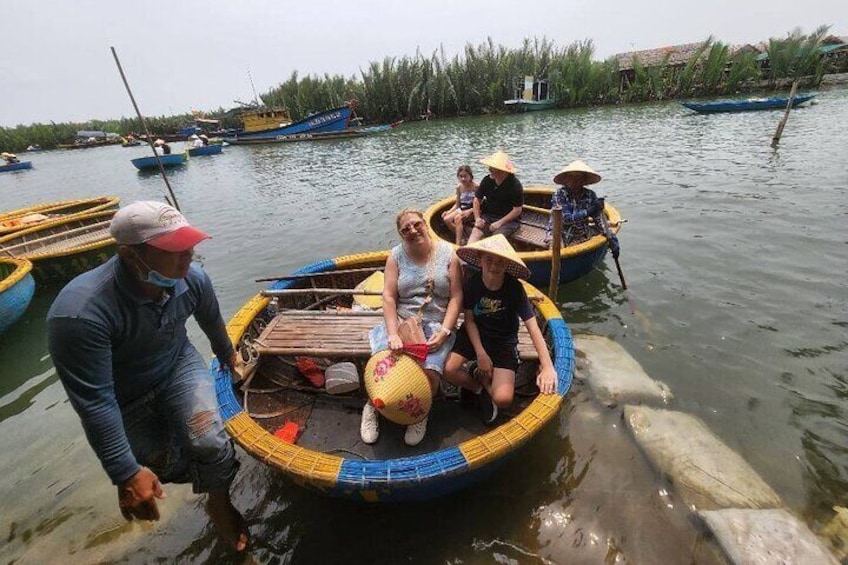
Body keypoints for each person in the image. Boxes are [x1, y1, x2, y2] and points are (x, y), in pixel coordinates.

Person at [47, 201, 249, 552]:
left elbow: (213, 325)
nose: (187, 258)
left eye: (189, 245)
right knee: (164, 466)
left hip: (177, 365)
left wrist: (230, 358)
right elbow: (96, 402)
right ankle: (180, 477)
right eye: (173, 251)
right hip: (124, 395)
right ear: (130, 255)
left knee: (211, 442)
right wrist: (124, 473)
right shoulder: (79, 314)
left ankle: (218, 502)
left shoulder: (192, 279)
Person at [360, 208, 463, 446]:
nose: (412, 230)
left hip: (437, 323)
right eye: (405, 229)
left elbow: (456, 297)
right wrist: (393, 333)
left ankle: (419, 414)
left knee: (430, 369)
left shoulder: (449, 254)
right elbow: (388, 297)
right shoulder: (396, 256)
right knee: (384, 364)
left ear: (425, 224)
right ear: (400, 234)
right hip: (403, 321)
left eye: (416, 224)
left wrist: (445, 331)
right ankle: (371, 408)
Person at [443, 235, 557, 424]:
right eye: (489, 260)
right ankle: (478, 388)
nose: (494, 266)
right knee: (449, 370)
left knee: (504, 399)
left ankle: (479, 375)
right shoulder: (472, 283)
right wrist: (480, 354)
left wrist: (547, 366)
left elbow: (533, 327)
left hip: (503, 340)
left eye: (500, 262)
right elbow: (469, 321)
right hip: (475, 335)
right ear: (480, 260)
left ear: (507, 265)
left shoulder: (514, 288)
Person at [543, 160, 605, 247]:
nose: (574, 181)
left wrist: (609, 235)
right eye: (571, 177)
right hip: (559, 232)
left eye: (578, 178)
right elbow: (566, 219)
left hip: (582, 232)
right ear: (566, 179)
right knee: (555, 247)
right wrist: (588, 211)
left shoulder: (590, 194)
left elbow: (598, 219)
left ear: (584, 180)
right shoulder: (559, 195)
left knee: (600, 235)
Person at [467, 150, 524, 244]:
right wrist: (477, 218)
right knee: (476, 232)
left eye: (492, 168)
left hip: (509, 221)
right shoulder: (487, 180)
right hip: (489, 215)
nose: (489, 170)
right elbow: (477, 199)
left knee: (495, 239)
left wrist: (500, 223)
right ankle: (469, 251)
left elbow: (517, 210)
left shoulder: (515, 185)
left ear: (502, 171)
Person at [440, 165, 478, 245]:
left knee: (457, 218)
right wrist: (449, 211)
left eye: (465, 176)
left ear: (470, 176)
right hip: (462, 208)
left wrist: (470, 211)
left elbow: (480, 203)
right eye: (460, 176)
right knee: (446, 219)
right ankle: (462, 236)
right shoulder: (459, 188)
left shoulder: (476, 187)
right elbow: (457, 204)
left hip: (473, 209)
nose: (463, 179)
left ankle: (458, 243)